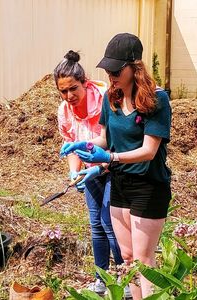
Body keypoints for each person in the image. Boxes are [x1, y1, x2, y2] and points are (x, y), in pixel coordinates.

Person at [61, 33, 172, 299]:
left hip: (148, 185)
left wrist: (108, 159)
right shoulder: (111, 97)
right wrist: (84, 146)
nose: (110, 74)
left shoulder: (157, 100)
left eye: (116, 69)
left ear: (135, 66)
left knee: (145, 260)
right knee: (128, 256)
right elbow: (104, 139)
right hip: (121, 184)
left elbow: (148, 151)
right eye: (107, 69)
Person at [54, 50, 125, 295]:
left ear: (85, 82)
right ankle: (101, 278)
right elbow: (71, 144)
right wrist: (75, 172)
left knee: (110, 223)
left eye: (73, 88)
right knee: (96, 225)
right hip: (90, 172)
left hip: (114, 167)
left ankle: (123, 277)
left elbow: (116, 143)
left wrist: (99, 167)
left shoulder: (106, 99)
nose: (69, 95)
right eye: (63, 91)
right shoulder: (64, 111)